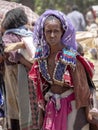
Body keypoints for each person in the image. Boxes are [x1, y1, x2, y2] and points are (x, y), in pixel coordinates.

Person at [28, 9, 98, 130]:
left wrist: (88, 115)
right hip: (51, 107)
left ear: (63, 32)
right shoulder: (41, 56)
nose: (52, 35)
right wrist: (41, 113)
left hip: (72, 107)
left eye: (56, 31)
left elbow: (83, 89)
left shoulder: (70, 57)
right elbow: (41, 87)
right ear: (43, 32)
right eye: (48, 31)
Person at [1, 7, 38, 130]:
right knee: (29, 104)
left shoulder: (8, 36)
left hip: (14, 75)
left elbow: (12, 55)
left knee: (16, 108)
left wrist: (24, 62)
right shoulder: (29, 33)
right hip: (30, 74)